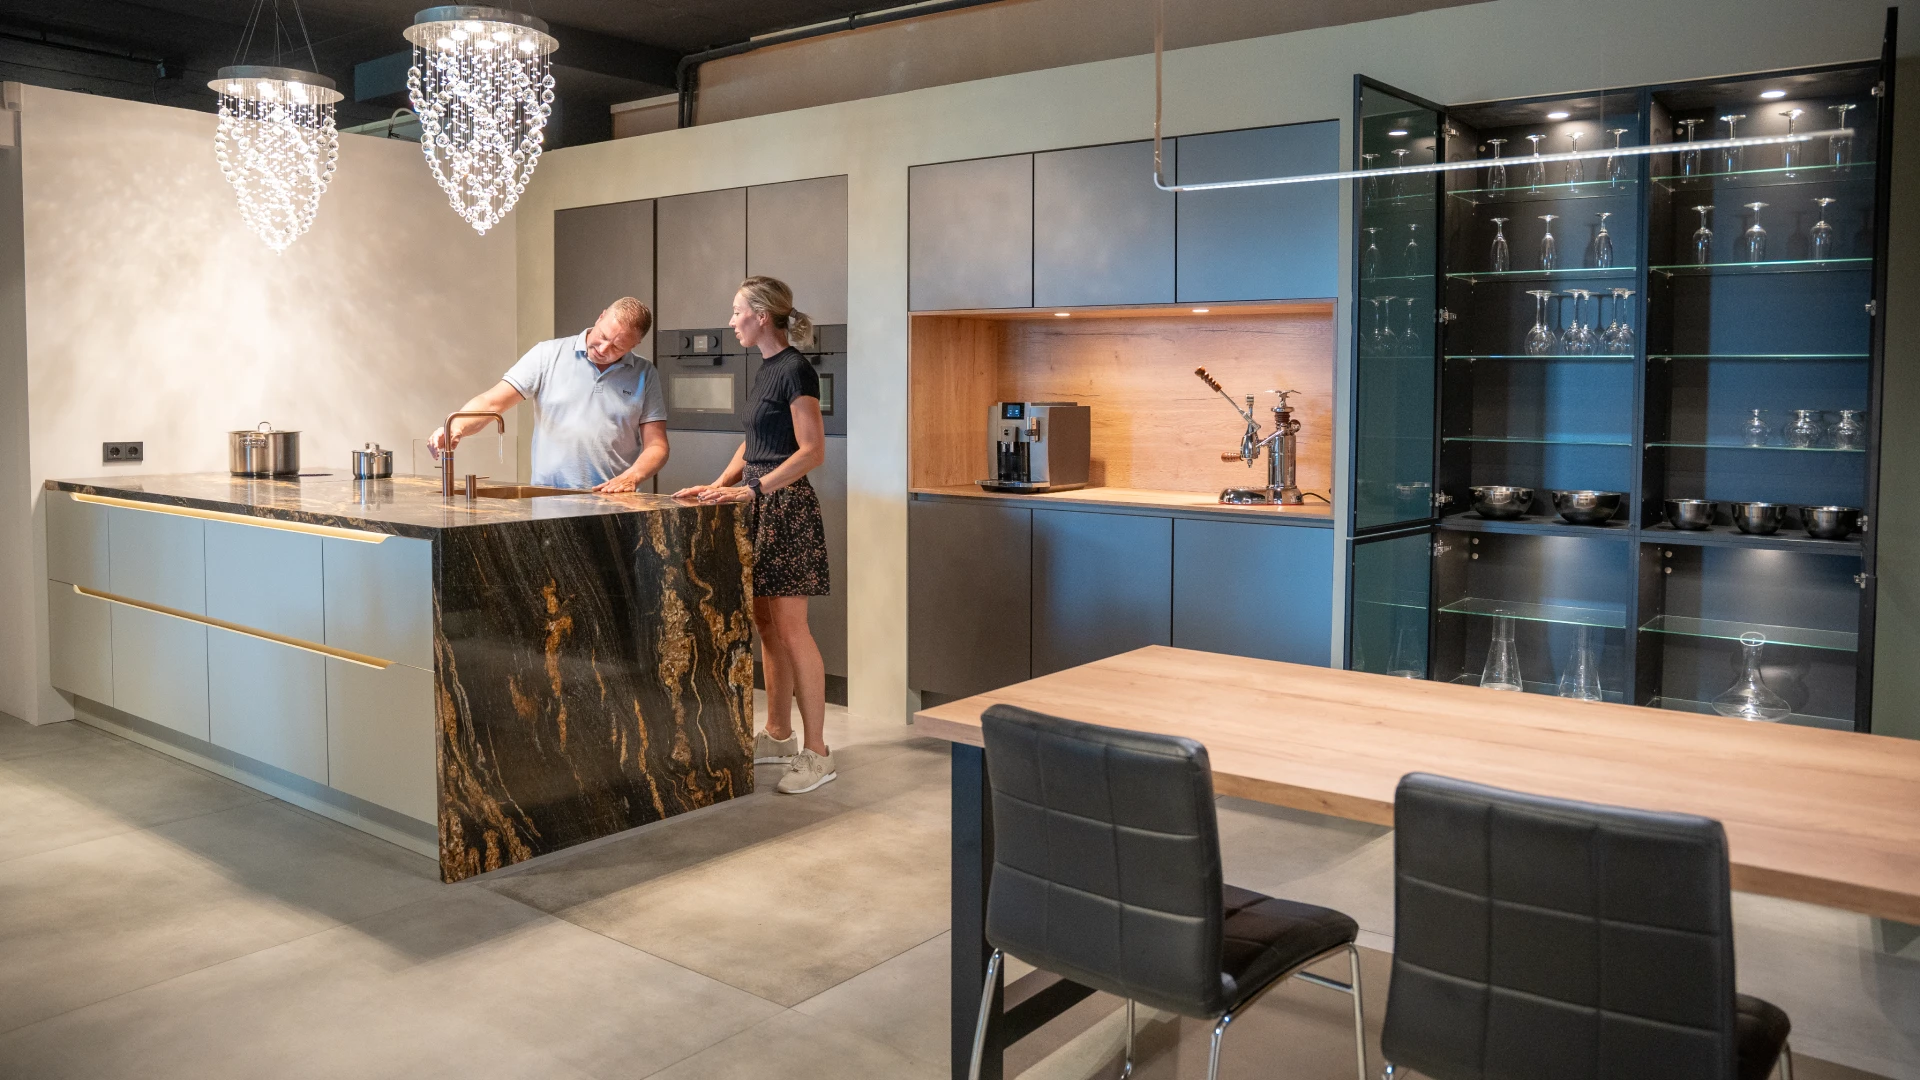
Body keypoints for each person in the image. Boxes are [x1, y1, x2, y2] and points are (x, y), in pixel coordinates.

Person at [675, 277, 833, 794]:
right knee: (765, 624)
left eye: (736, 311)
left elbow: (812, 451)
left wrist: (754, 489)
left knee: (791, 629)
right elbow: (754, 442)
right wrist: (719, 485)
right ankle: (779, 733)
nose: (731, 321)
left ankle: (818, 752)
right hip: (756, 501)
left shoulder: (796, 369)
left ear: (762, 316)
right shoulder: (765, 368)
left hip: (785, 509)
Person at [431, 297, 668, 492]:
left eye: (617, 347)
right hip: (548, 498)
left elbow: (657, 445)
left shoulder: (644, 373)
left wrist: (632, 477)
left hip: (613, 502)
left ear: (634, 345)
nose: (603, 348)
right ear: (600, 317)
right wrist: (456, 426)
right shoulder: (547, 355)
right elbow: (492, 402)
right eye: (603, 336)